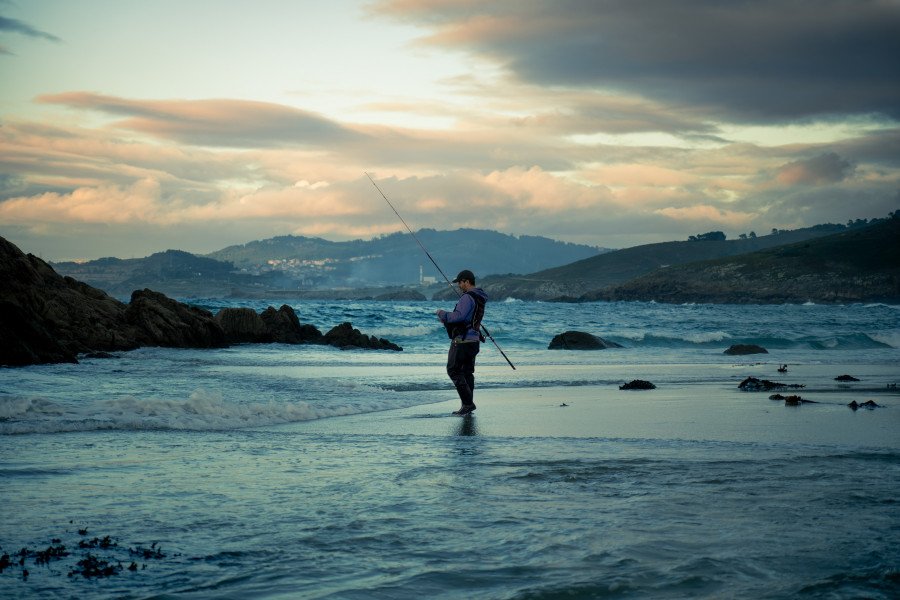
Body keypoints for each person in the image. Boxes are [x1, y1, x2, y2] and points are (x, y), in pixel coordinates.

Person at [436, 269, 488, 415]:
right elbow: (468, 318)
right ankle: (467, 405)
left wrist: (442, 313)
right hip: (474, 340)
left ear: (466, 281)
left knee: (453, 370)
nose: (458, 285)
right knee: (467, 373)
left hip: (463, 341)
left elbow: (459, 317)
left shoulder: (467, 298)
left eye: (460, 282)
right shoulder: (479, 297)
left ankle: (468, 404)